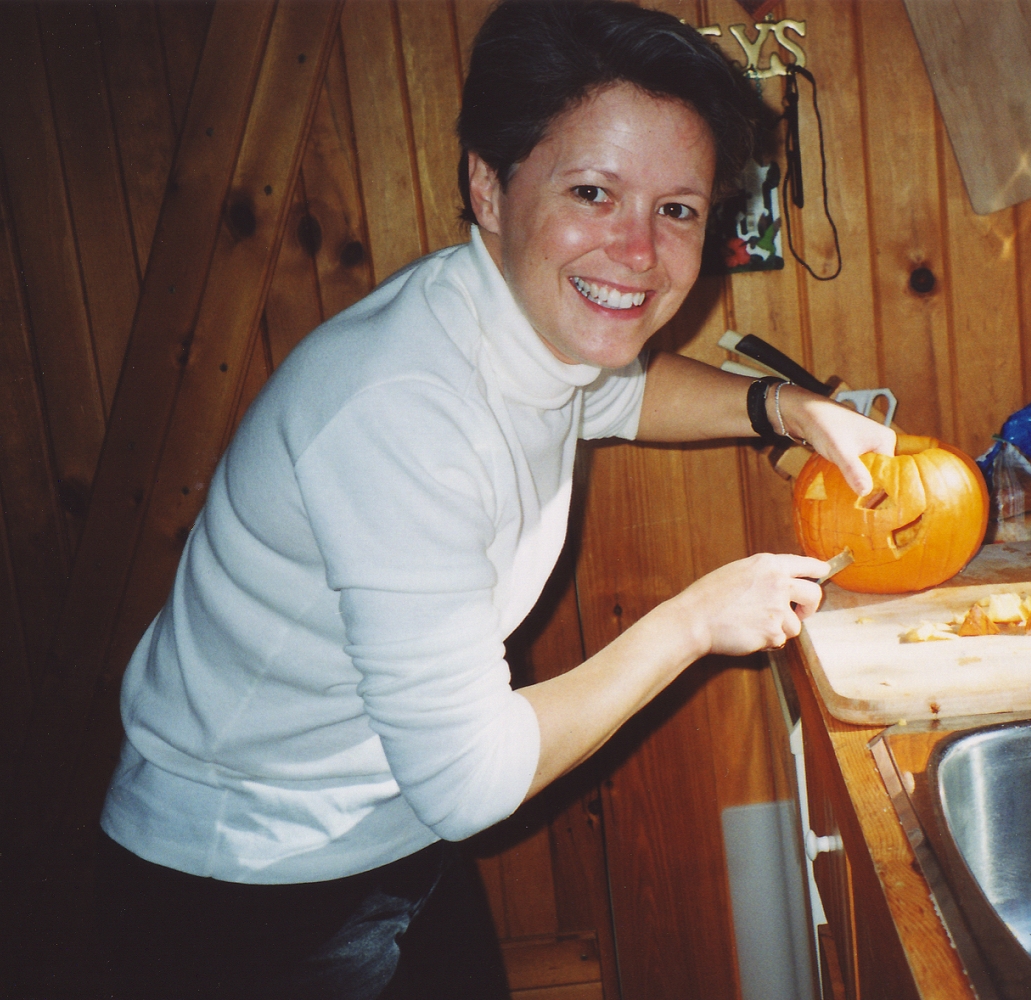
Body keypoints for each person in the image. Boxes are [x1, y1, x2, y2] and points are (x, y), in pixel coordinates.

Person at [93, 2, 894, 998]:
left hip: (388, 830)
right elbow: (471, 780)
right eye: (594, 192)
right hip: (244, 891)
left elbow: (621, 391)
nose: (638, 250)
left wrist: (787, 409)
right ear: (489, 185)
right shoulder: (402, 409)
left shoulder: (510, 315)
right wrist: (694, 622)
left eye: (677, 210)